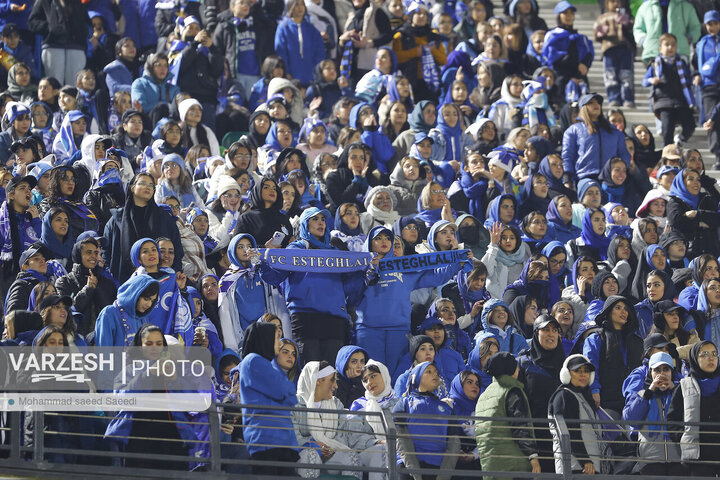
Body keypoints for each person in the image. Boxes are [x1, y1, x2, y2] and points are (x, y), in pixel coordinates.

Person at [259, 207, 366, 363]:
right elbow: (274, 277)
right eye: (315, 219)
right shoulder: (295, 249)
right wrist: (266, 258)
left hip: (335, 320)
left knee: (330, 375)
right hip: (305, 319)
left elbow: (348, 289)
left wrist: (362, 272)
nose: (321, 223)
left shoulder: (337, 253)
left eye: (323, 219)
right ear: (304, 225)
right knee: (310, 374)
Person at [295, 360, 383, 479]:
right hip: (303, 456)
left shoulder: (335, 404)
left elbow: (349, 434)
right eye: (332, 380)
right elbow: (290, 437)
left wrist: (374, 442)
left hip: (332, 454)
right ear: (318, 381)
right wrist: (314, 445)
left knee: (351, 457)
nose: (336, 386)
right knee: (310, 455)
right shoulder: (294, 404)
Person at [238, 321, 299, 476]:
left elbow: (292, 397)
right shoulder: (252, 361)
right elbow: (283, 390)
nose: (279, 343)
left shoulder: (270, 364)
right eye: (276, 338)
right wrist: (283, 393)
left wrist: (284, 393)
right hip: (266, 440)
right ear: (264, 338)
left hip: (282, 440)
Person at [104, 173, 183, 283]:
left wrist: (175, 271)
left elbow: (177, 247)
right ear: (132, 188)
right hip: (125, 280)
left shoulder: (164, 217)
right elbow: (106, 252)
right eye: (143, 183)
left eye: (151, 185)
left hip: (161, 280)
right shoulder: (117, 219)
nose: (148, 187)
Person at [475, 352, 541, 478]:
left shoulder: (484, 395)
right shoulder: (512, 391)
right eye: (515, 365)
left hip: (490, 466)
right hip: (514, 465)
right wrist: (533, 456)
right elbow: (520, 426)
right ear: (510, 368)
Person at [517, 314, 566, 471]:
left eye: (554, 330)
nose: (551, 334)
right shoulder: (524, 363)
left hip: (561, 436)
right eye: (545, 330)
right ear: (536, 333)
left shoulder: (566, 365)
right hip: (534, 437)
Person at [623, 351, 685, 475]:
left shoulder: (682, 393)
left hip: (679, 458)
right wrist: (649, 391)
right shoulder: (642, 395)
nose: (661, 374)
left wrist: (674, 390)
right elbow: (630, 419)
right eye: (657, 370)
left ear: (672, 372)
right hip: (650, 460)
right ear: (651, 373)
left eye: (666, 369)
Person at [392, 361, 458, 476]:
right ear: (416, 378)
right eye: (429, 372)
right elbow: (401, 437)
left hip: (438, 467)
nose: (435, 375)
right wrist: (414, 471)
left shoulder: (447, 408)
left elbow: (454, 442)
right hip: (407, 467)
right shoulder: (404, 403)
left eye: (436, 372)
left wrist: (444, 474)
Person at [667, 341, 720, 477]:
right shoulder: (684, 386)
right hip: (697, 458)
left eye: (714, 354)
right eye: (705, 354)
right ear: (694, 359)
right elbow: (672, 420)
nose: (711, 358)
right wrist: (684, 437)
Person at [583, 295, 643, 413]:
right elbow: (590, 366)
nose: (623, 311)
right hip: (606, 401)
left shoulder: (637, 341)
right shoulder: (596, 338)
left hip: (633, 402)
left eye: (626, 309)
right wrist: (594, 390)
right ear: (608, 311)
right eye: (618, 307)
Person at [548, 354, 606, 475]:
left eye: (586, 371)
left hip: (588, 466)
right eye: (577, 371)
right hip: (576, 467)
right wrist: (585, 460)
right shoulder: (564, 395)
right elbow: (569, 431)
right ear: (567, 374)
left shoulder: (583, 397)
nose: (583, 374)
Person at [561, 93, 630, 184]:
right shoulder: (573, 130)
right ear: (583, 107)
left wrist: (621, 171)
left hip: (610, 180)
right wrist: (568, 178)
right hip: (584, 178)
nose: (596, 105)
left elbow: (624, 155)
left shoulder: (615, 132)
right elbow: (567, 156)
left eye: (598, 103)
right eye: (591, 102)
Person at [55, 236, 117, 335]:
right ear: (78, 255)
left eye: (96, 253)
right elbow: (65, 312)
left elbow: (113, 314)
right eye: (88, 252)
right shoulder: (64, 282)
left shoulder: (108, 283)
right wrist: (88, 289)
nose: (93, 256)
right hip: (77, 339)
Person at [641, 33, 696, 146]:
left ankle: (680, 139)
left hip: (681, 101)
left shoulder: (682, 63)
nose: (670, 48)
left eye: (673, 45)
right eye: (667, 45)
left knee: (690, 125)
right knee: (667, 132)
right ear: (660, 48)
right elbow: (644, 81)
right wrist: (652, 80)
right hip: (663, 102)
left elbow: (688, 79)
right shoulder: (654, 64)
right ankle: (667, 156)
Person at [667, 168, 720, 258]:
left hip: (710, 252)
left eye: (698, 179)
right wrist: (699, 223)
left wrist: (697, 214)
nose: (696, 182)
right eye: (690, 179)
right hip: (686, 254)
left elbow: (717, 218)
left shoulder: (706, 198)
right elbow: (676, 220)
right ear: (681, 182)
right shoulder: (675, 201)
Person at [93, 274, 159, 347]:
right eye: (146, 299)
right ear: (134, 294)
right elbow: (104, 352)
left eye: (152, 301)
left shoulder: (143, 317)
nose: (149, 305)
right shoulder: (109, 313)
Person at [274, 0, 325, 85]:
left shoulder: (311, 29)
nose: (300, 7)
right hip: (292, 77)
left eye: (302, 4)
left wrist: (317, 72)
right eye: (296, 4)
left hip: (311, 77)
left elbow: (320, 52)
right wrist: (286, 72)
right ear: (290, 7)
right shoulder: (283, 28)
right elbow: (281, 52)